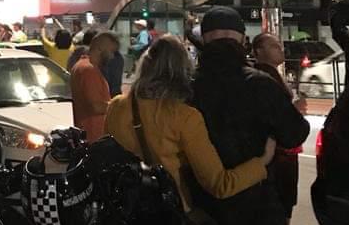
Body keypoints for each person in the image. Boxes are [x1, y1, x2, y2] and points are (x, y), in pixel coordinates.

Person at [191, 8, 310, 225]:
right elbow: (295, 133)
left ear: (204, 39)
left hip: (203, 215)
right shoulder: (258, 83)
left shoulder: (187, 86)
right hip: (259, 214)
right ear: (241, 39)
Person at [107, 34, 272, 209]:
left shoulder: (116, 106)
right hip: (166, 213)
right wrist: (262, 162)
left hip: (125, 210)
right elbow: (219, 184)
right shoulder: (184, 117)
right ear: (182, 71)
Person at [252, 32, 311, 225]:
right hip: (279, 150)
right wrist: (294, 109)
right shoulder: (263, 77)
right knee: (282, 196)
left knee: (286, 196)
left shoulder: (273, 75)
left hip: (285, 148)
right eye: (273, 46)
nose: (280, 49)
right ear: (258, 51)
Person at [71, 30, 119, 141]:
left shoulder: (80, 66)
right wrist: (120, 105)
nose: (112, 56)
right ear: (100, 48)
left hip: (88, 134)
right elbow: (96, 107)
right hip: (94, 135)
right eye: (111, 51)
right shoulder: (89, 70)